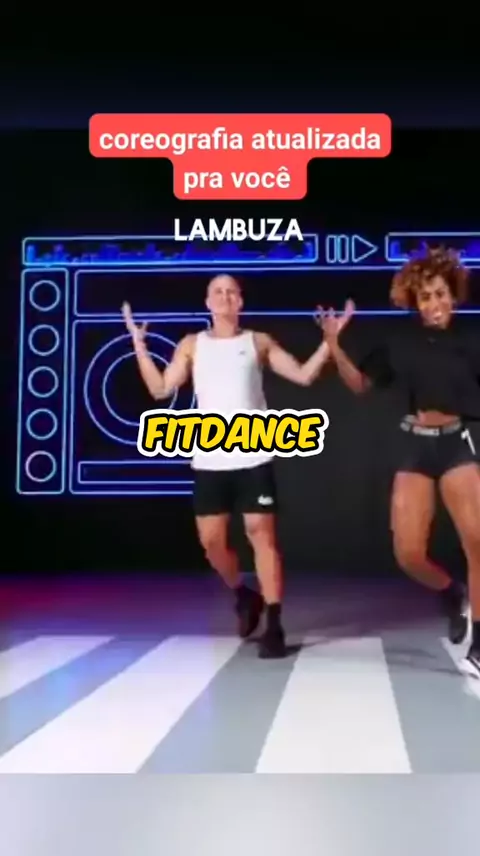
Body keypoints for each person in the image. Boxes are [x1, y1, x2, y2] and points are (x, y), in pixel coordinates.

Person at [123, 274, 351, 658]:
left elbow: (303, 375)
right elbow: (160, 389)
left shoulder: (257, 342)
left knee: (261, 534)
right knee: (212, 542)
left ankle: (274, 624)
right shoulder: (192, 344)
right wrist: (139, 346)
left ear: (240, 301)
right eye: (218, 291)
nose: (225, 297)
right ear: (207, 302)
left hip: (254, 455)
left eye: (232, 292)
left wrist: (330, 341)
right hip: (209, 459)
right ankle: (244, 594)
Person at [319, 246, 480, 678]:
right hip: (416, 446)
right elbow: (359, 385)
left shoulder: (472, 340)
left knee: (478, 542)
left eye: (441, 294)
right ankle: (452, 593)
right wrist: (333, 344)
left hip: (457, 443)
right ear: (415, 301)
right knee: (408, 553)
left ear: (454, 294)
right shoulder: (399, 342)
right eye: (426, 296)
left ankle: (479, 645)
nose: (435, 303)